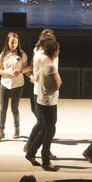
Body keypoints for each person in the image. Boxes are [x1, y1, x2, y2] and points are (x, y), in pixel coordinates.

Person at [25, 29, 58, 165]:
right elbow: (54, 81)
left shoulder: (42, 55)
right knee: (46, 126)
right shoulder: (43, 57)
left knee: (44, 125)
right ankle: (38, 151)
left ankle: (33, 150)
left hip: (45, 93)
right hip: (43, 93)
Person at [34, 38, 62, 171]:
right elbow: (58, 84)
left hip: (43, 100)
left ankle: (30, 151)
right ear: (55, 51)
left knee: (46, 129)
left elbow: (39, 78)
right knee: (50, 130)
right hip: (48, 102)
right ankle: (45, 160)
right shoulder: (51, 66)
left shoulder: (43, 61)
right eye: (58, 49)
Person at [0, 32, 28, 142]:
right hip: (5, 83)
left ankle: (17, 128)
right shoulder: (3, 54)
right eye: (11, 42)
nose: (13, 44)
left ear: (18, 42)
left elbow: (26, 68)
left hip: (18, 84)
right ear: (8, 42)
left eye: (15, 42)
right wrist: (7, 72)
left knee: (14, 108)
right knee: (2, 109)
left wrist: (20, 71)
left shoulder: (22, 54)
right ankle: (1, 131)